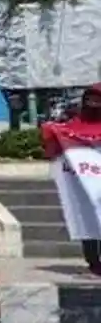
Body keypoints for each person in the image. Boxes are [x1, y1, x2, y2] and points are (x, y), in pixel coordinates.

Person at [41, 84, 101, 275]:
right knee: (88, 222)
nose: (94, 104)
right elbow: (54, 149)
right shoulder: (71, 127)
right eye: (90, 100)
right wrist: (50, 133)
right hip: (84, 183)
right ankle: (94, 262)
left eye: (98, 101)